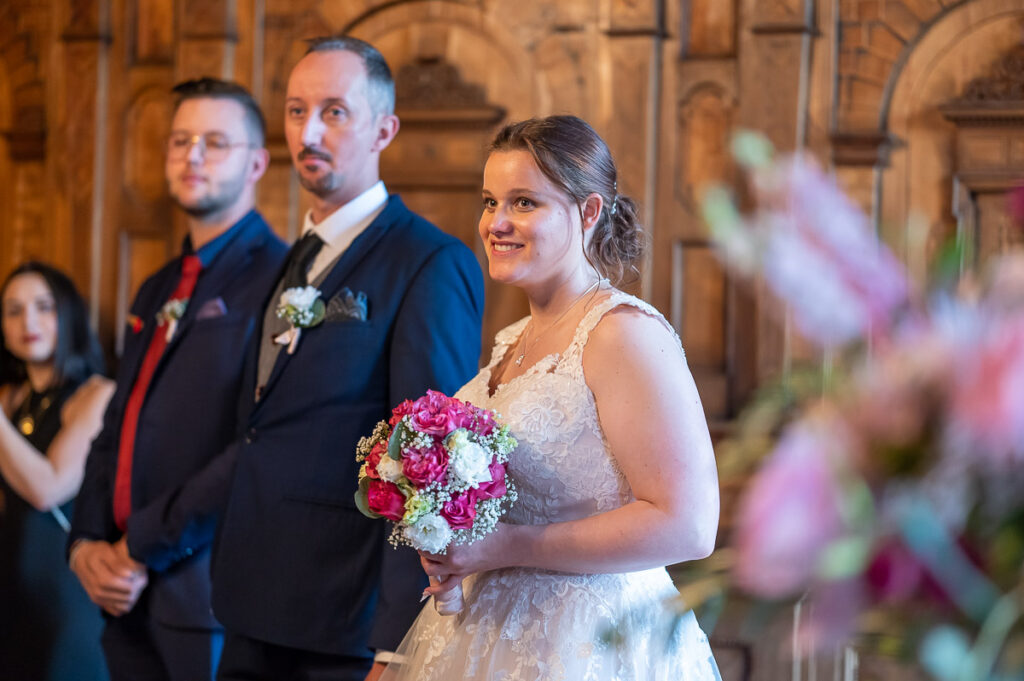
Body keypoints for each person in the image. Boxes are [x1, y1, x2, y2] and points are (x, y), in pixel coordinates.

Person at [382, 115, 722, 680]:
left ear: (588, 213)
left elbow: (688, 524)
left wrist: (507, 546)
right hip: (485, 634)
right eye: (490, 202)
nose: (496, 223)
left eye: (524, 203)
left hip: (587, 643)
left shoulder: (622, 333)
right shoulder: (512, 340)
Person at [210, 36, 484, 681]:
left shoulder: (429, 262)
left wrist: (396, 640)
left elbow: (427, 463)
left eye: (334, 111)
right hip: (249, 599)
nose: (309, 131)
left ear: (383, 129)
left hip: (343, 621)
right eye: (296, 110)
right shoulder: (293, 255)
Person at [68, 77, 288, 681]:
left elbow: (255, 443)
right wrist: (85, 540)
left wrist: (140, 545)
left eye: (214, 142)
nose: (192, 155)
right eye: (180, 140)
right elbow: (119, 421)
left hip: (203, 589)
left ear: (257, 163)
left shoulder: (280, 280)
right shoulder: (157, 284)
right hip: (118, 592)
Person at [0, 262, 112, 681]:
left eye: (42, 306)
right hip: (11, 591)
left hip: (68, 600)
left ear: (67, 315)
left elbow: (47, 487)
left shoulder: (97, 395)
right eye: (12, 310)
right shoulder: (11, 399)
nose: (27, 320)